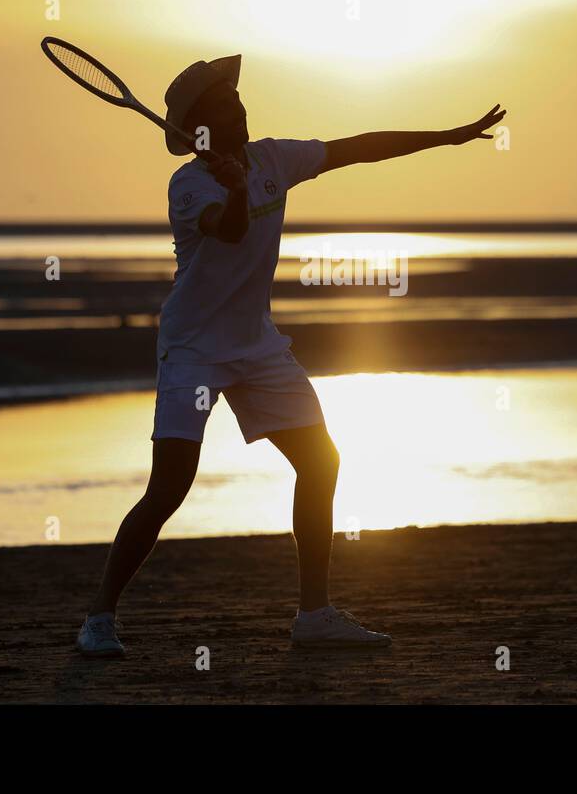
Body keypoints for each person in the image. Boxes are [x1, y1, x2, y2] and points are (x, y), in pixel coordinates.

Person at [77, 53, 503, 653]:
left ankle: (314, 615)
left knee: (321, 462)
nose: (242, 112)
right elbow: (227, 230)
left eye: (241, 101)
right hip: (194, 349)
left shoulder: (275, 158)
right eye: (227, 106)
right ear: (199, 125)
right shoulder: (189, 184)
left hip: (257, 346)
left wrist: (447, 136)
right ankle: (98, 619)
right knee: (169, 488)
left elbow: (358, 147)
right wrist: (230, 189)